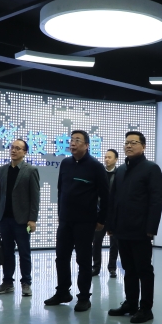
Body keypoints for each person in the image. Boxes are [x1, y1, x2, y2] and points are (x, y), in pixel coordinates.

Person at [45, 130, 110, 312]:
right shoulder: (65, 163)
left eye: (77, 140)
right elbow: (61, 190)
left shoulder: (96, 166)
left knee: (83, 260)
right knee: (61, 257)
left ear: (87, 145)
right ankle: (62, 292)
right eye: (71, 140)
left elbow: (106, 196)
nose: (72, 143)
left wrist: (101, 219)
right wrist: (60, 213)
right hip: (66, 221)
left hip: (85, 222)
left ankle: (84, 297)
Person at [106, 131, 162, 323]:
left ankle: (146, 308)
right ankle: (131, 303)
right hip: (122, 228)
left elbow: (156, 200)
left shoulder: (151, 169)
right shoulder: (121, 170)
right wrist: (111, 224)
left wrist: (151, 228)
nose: (129, 146)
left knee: (144, 270)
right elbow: (113, 199)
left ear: (143, 146)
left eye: (133, 142)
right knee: (128, 268)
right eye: (127, 143)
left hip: (140, 229)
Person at [0, 139, 41, 297]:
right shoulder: (3, 170)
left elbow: (35, 197)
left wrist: (32, 219)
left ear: (25, 152)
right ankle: (7, 282)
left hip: (23, 221)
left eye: (18, 148)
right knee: (7, 252)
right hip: (4, 219)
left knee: (24, 253)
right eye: (12, 147)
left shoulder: (31, 170)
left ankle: (26, 283)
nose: (13, 150)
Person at [92, 149, 120, 278]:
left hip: (114, 215)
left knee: (114, 243)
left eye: (109, 157)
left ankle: (112, 268)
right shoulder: (99, 173)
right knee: (97, 241)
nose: (106, 159)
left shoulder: (120, 174)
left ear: (116, 159)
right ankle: (96, 267)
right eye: (105, 157)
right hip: (100, 213)